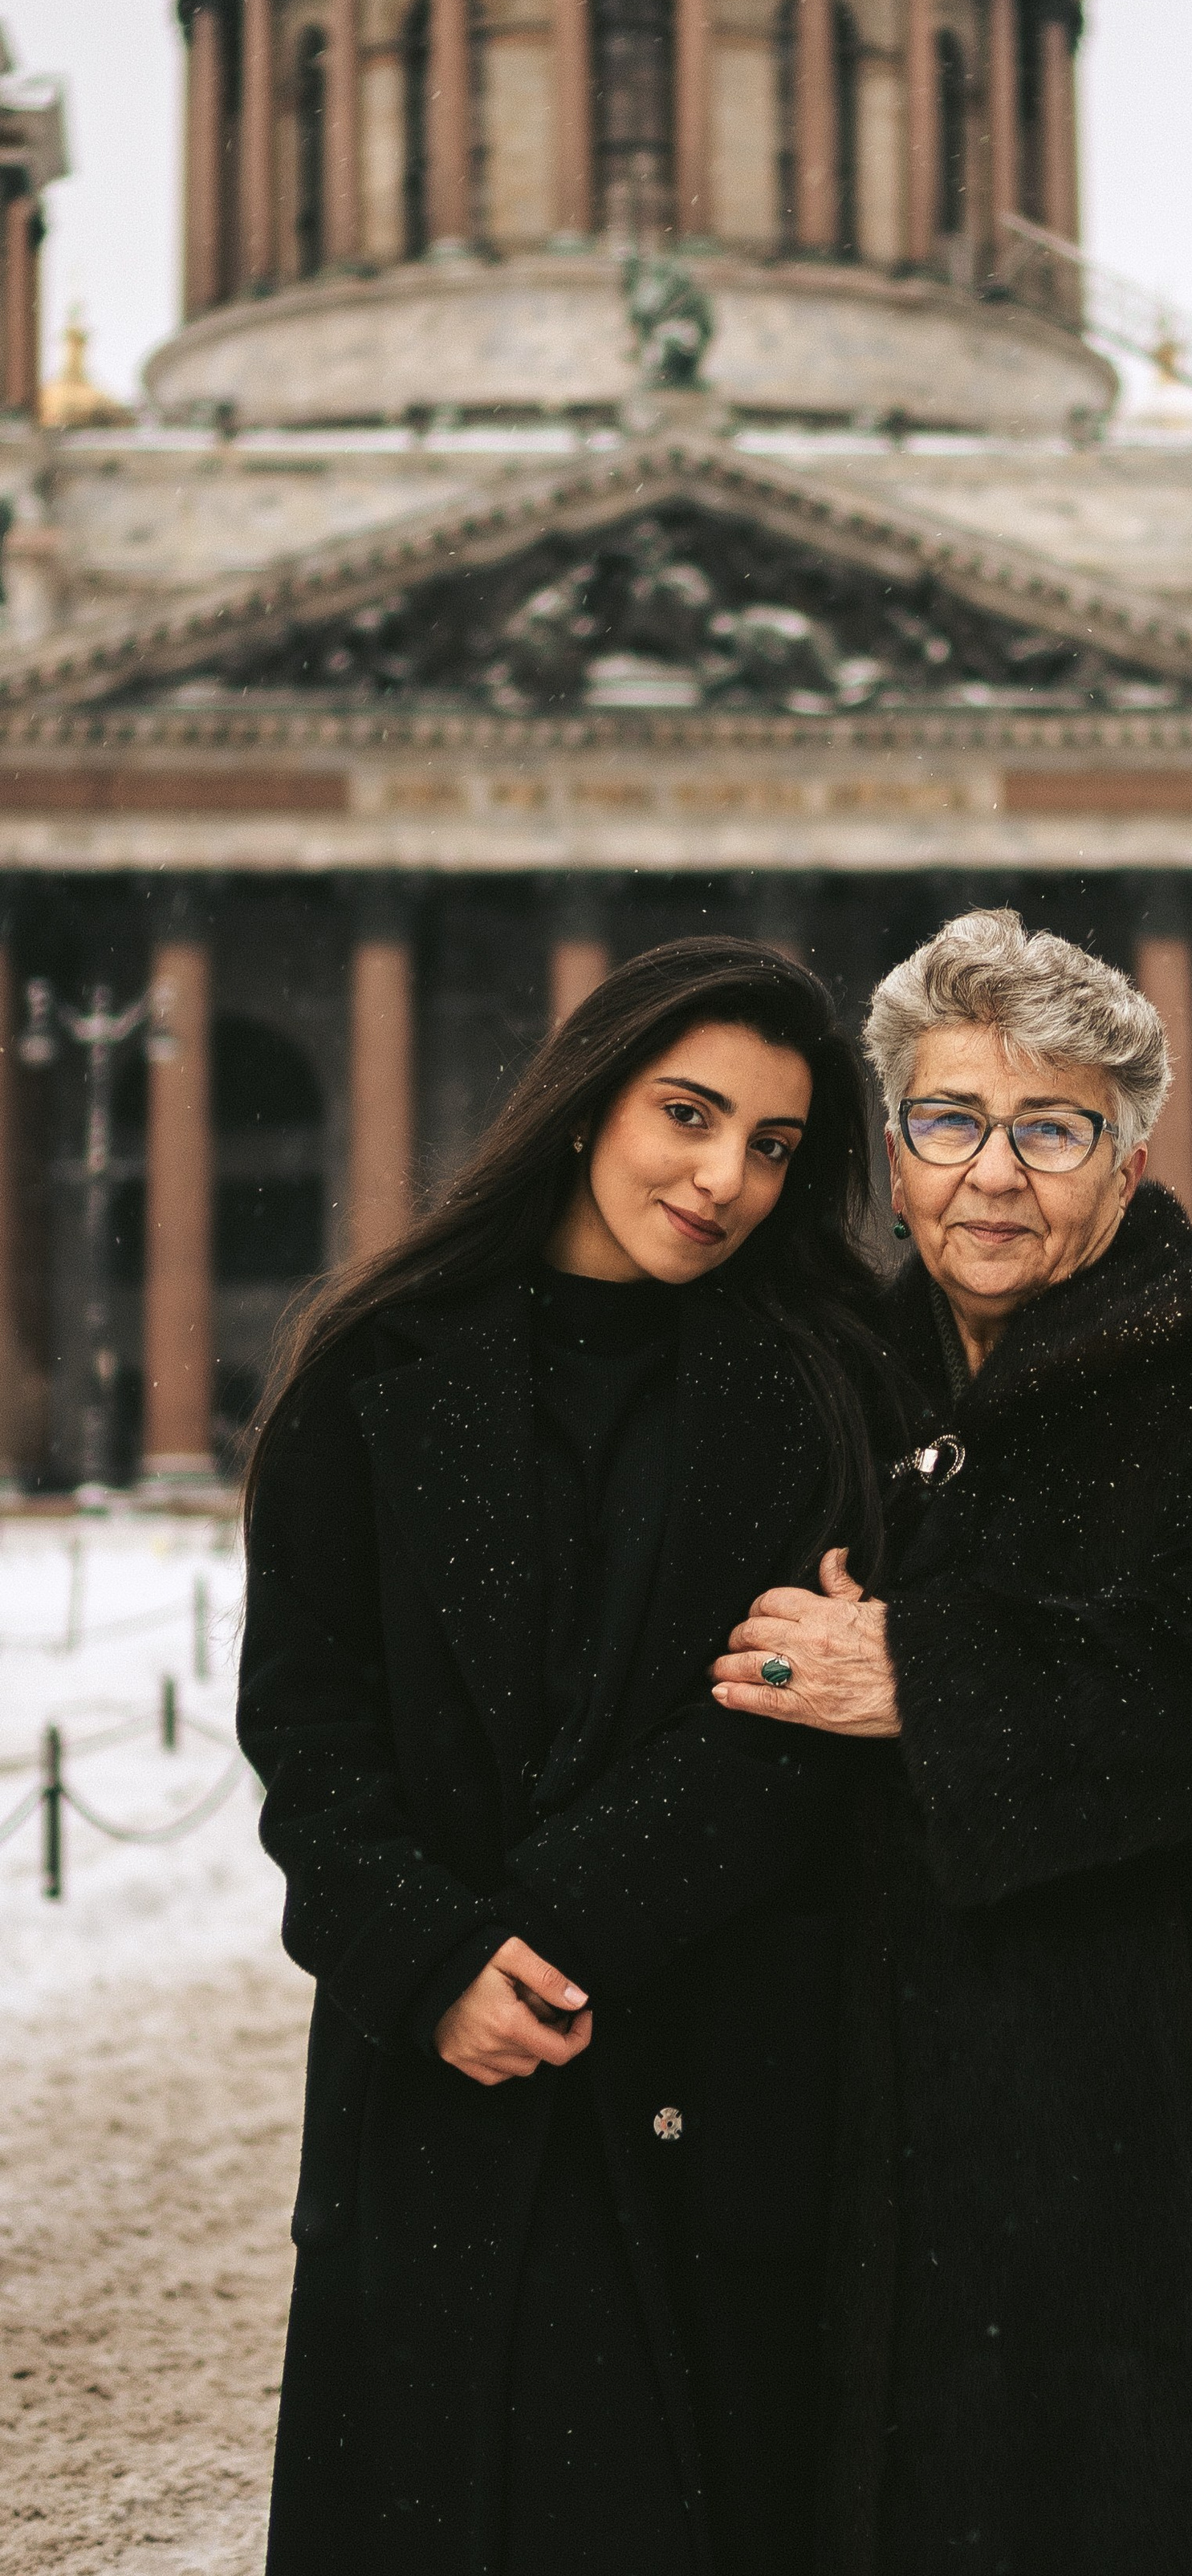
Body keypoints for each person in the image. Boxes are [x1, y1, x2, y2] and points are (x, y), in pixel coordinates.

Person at [714, 909, 1192, 2574]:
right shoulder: (845, 1372)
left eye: (1049, 1129)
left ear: (1124, 1161)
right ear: (893, 1150)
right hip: (925, 2073)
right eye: (948, 1121)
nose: (993, 1174)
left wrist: (923, 1670)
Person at [238, 939, 903, 2576]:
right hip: (440, 2079)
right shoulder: (370, 1372)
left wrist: (543, 1931)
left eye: (772, 1147)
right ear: (589, 1095)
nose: (722, 1177)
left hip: (703, 2053)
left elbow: (786, 1725)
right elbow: (308, 1737)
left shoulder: (826, 1385)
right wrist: (430, 1959)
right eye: (688, 1113)